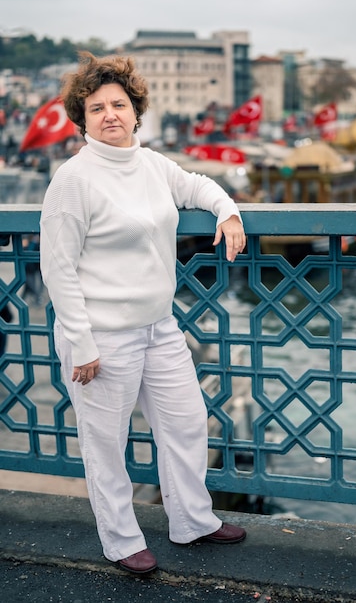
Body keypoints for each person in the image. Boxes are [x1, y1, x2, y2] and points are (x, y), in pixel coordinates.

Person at [39, 52, 247, 575]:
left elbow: (198, 185)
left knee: (186, 422)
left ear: (136, 111)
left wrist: (228, 209)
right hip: (103, 337)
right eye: (96, 108)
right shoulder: (73, 180)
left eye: (119, 104)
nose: (110, 114)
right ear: (82, 120)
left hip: (159, 327)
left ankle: (192, 519)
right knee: (106, 444)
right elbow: (58, 269)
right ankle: (120, 538)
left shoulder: (152, 164)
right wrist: (81, 344)